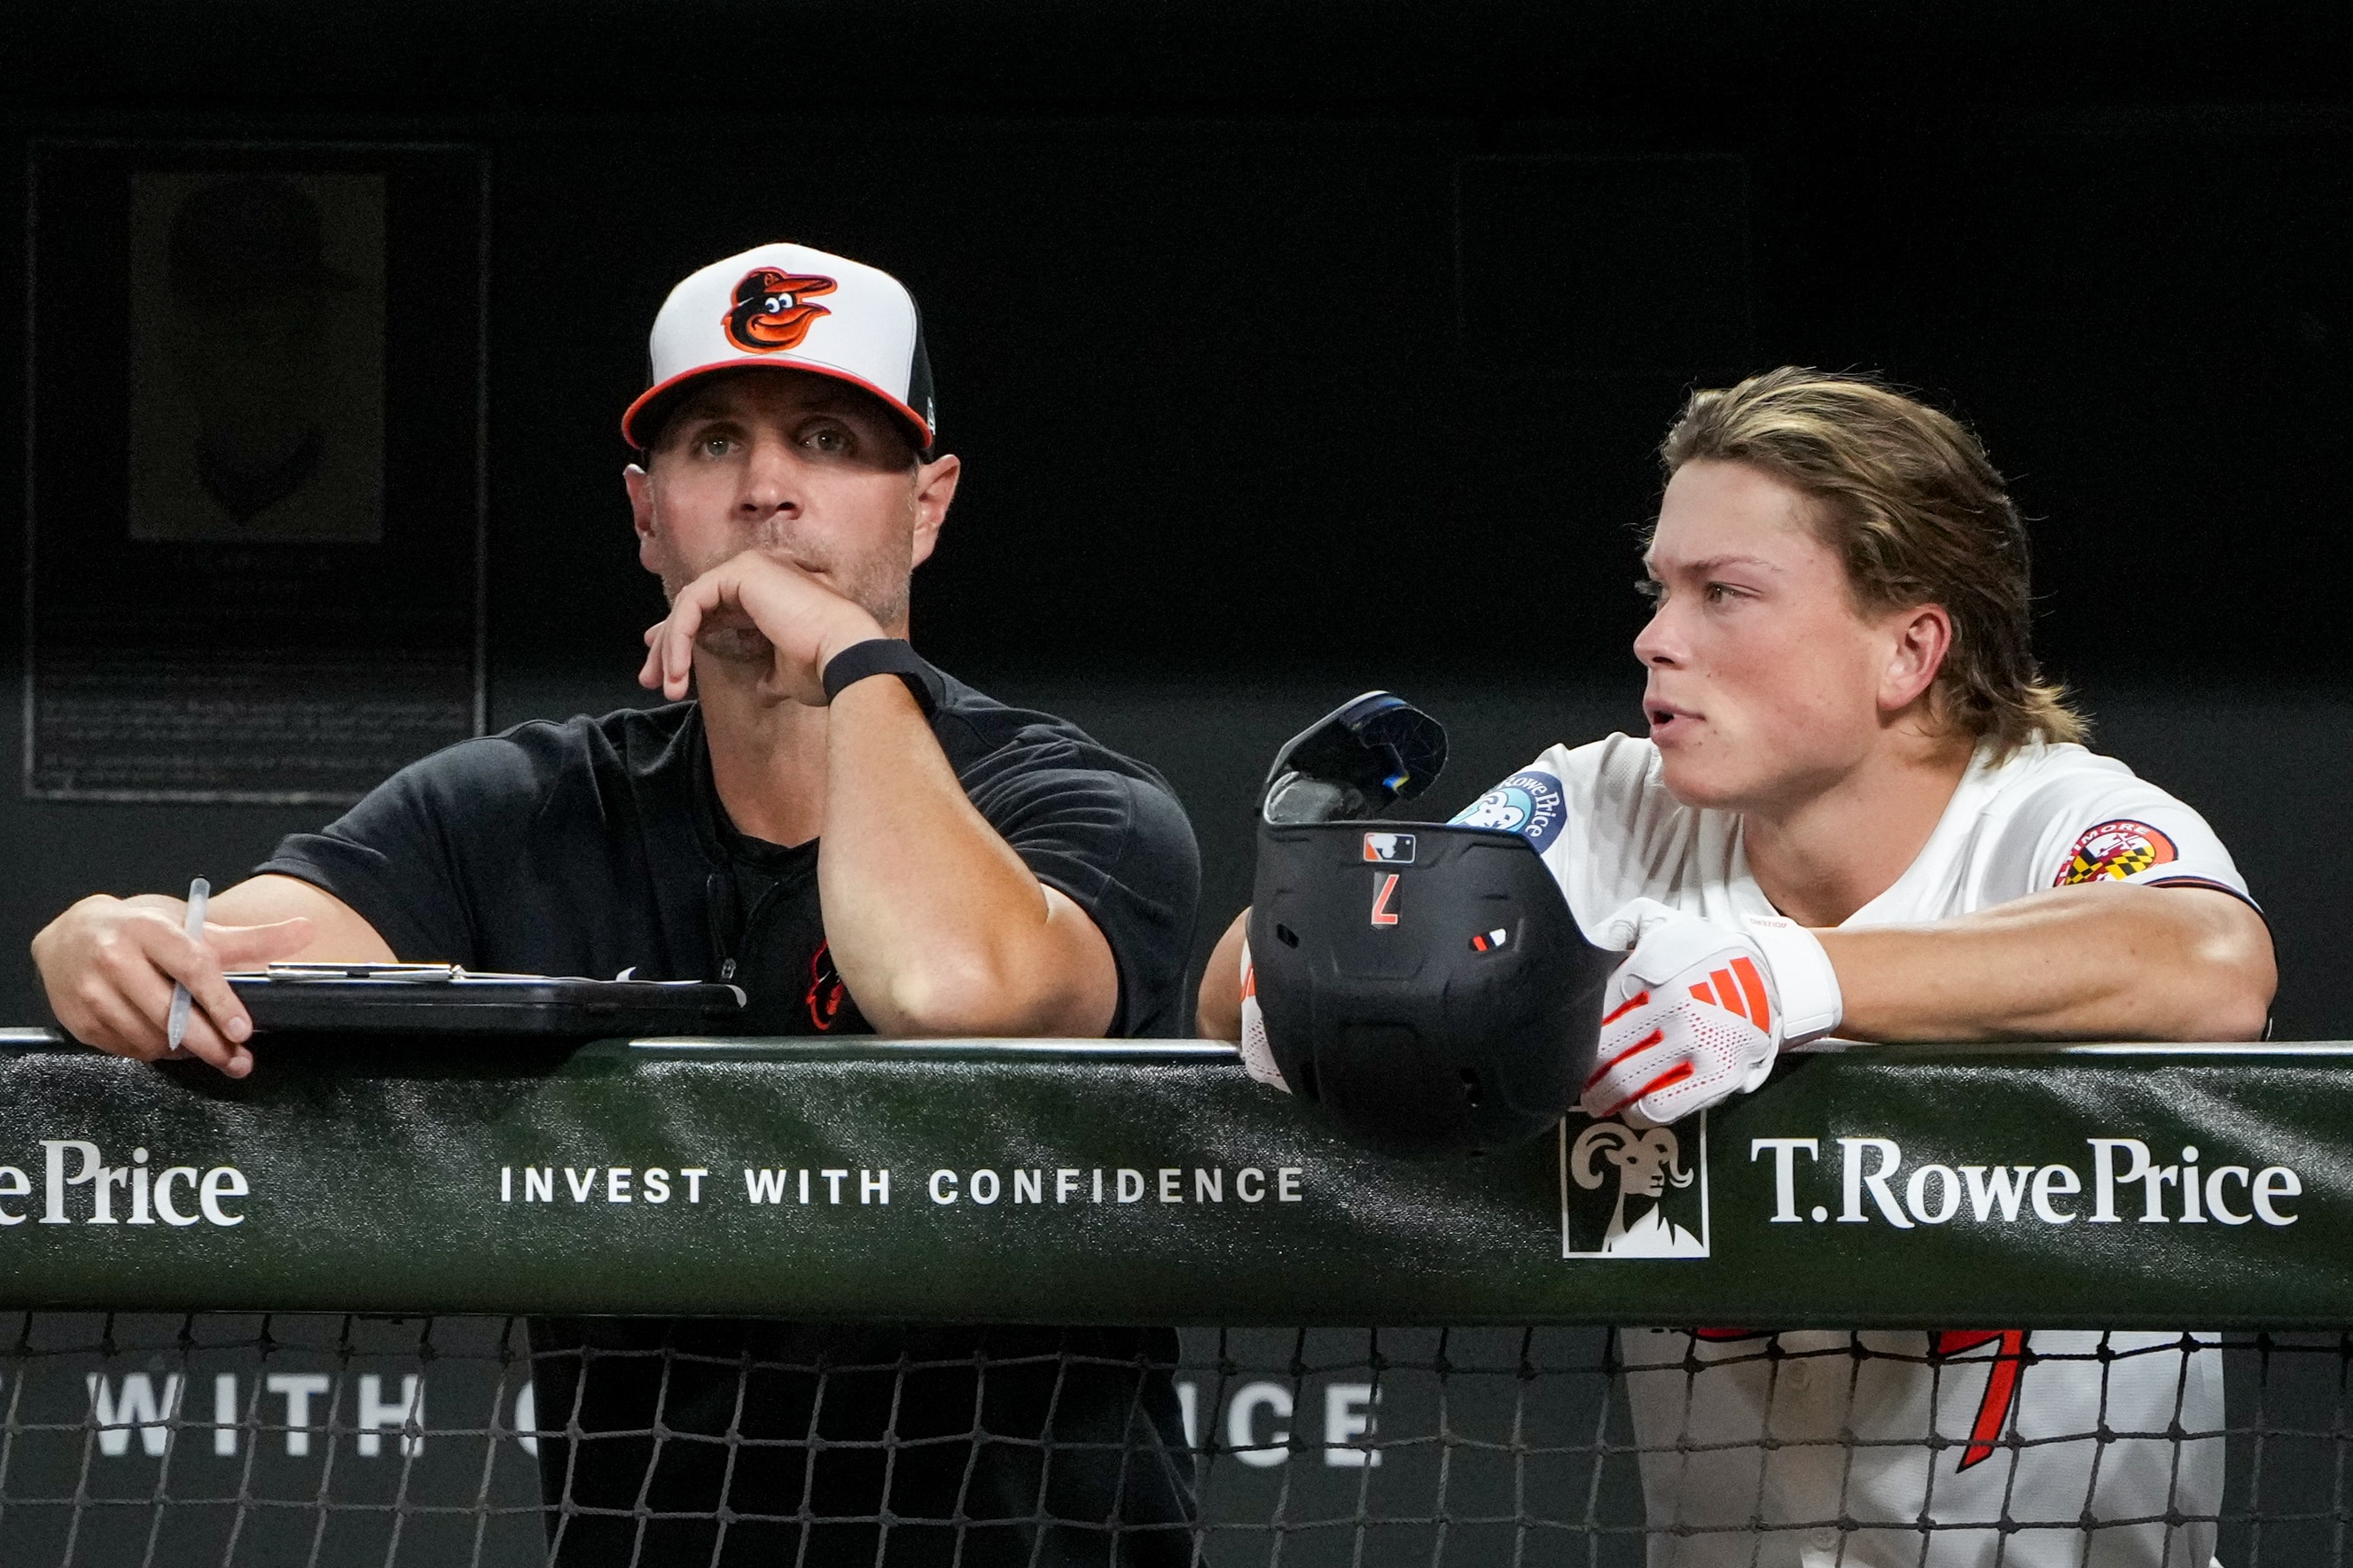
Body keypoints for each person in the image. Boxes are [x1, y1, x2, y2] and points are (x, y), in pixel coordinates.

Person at [35, 241, 1203, 1565]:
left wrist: (851, 661)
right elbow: (228, 954)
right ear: (648, 514)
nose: (767, 492)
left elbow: (947, 987)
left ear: (926, 504)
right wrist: (104, 940)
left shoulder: (1078, 807)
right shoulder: (522, 807)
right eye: (714, 444)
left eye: (826, 439)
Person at [1197, 369, 2273, 1567]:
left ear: (1908, 647)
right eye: (1660, 589)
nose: (1655, 638)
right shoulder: (1614, 805)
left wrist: (1788, 976)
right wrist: (1328, 973)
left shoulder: (2043, 818)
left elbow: (2209, 958)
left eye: (1725, 594)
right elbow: (1236, 979)